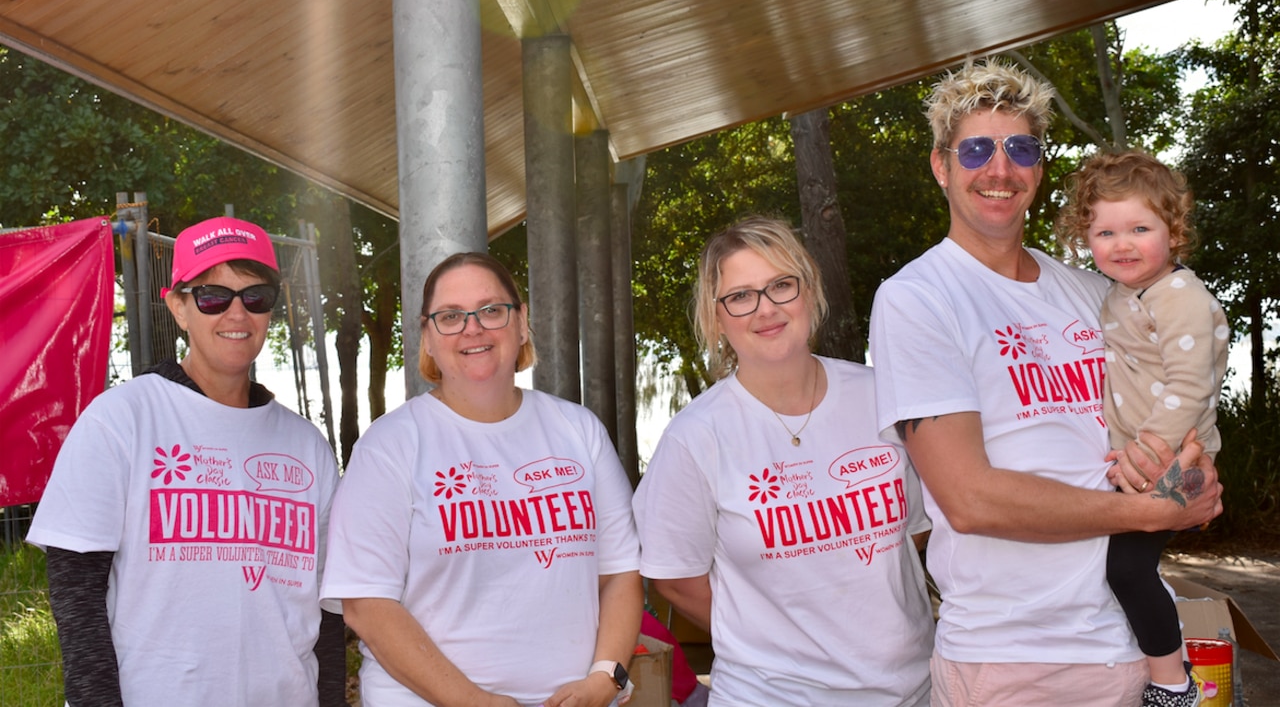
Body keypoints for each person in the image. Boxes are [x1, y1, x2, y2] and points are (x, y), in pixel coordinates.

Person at [868, 58, 1223, 707]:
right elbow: (970, 498)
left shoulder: (1097, 292)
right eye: (976, 148)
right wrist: (1152, 509)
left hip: (1127, 646)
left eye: (1019, 148)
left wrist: (1187, 480)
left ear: (1037, 166)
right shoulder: (918, 298)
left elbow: (1182, 388)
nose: (999, 168)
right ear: (941, 165)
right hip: (1013, 661)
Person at [28, 216, 344, 706]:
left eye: (255, 297)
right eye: (213, 296)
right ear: (177, 306)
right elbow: (76, 594)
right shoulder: (122, 420)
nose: (236, 314)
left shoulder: (307, 446)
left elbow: (326, 614)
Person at [633, 217, 934, 707]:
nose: (765, 309)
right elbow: (674, 577)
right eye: (740, 296)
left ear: (809, 289)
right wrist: (772, 642)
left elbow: (918, 532)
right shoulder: (695, 437)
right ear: (717, 317)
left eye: (781, 286)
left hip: (911, 691)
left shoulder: (881, 398)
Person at [321, 252, 642, 707]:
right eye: (450, 316)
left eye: (491, 310)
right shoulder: (389, 445)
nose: (473, 328)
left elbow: (620, 574)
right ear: (428, 338)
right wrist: (473, 701)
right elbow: (366, 605)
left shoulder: (580, 431)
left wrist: (604, 679)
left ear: (522, 321)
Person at [1057, 150, 1229, 707]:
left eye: (1139, 228)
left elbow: (1190, 385)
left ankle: (1173, 685)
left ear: (1173, 232)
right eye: (1105, 231)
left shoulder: (1179, 296)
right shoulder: (1119, 294)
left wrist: (1146, 453)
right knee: (1123, 567)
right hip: (1144, 457)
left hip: (1174, 461)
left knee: (1126, 569)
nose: (1122, 243)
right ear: (1086, 237)